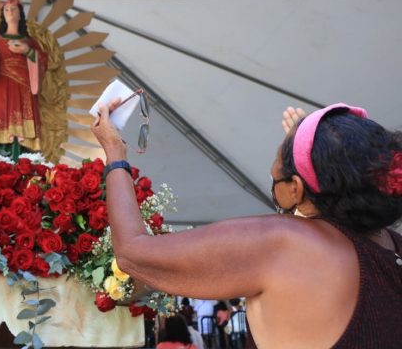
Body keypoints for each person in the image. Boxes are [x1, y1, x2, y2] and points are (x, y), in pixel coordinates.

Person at [92, 101, 402, 348]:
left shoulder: (285, 244)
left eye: (275, 176)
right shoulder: (391, 245)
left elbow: (133, 252)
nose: (273, 182)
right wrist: (320, 151)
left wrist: (115, 155)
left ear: (296, 188)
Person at [0, 0, 47, 158]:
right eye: (7, 9)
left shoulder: (30, 42)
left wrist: (28, 51)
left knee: (22, 136)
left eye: (13, 9)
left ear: (20, 14)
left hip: (24, 90)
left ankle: (23, 164)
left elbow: (43, 63)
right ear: (2, 14)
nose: (10, 12)